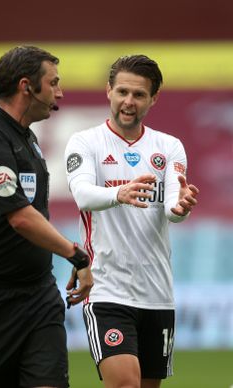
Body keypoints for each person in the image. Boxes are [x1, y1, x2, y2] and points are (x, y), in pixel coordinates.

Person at [0, 45, 93, 388]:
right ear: (27, 86)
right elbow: (20, 217)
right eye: (54, 82)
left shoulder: (27, 138)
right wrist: (77, 255)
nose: (60, 91)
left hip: (39, 296)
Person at [64, 54, 199, 388]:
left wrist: (181, 208)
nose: (129, 101)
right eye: (122, 91)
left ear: (153, 98)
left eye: (139, 95)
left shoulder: (169, 147)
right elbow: (82, 195)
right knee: (125, 384)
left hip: (158, 293)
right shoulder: (85, 142)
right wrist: (119, 193)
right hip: (108, 290)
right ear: (108, 91)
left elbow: (171, 210)